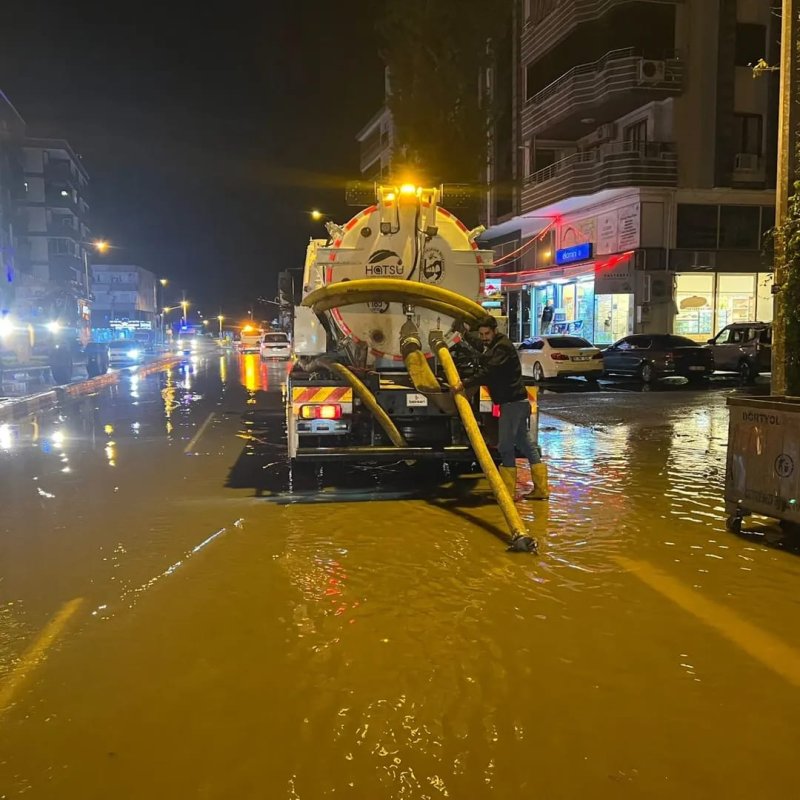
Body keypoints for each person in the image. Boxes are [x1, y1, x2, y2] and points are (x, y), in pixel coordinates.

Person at [451, 315, 549, 501]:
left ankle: (507, 493)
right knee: (525, 444)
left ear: (495, 331)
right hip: (516, 403)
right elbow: (482, 349)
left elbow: (489, 371)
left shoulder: (502, 347)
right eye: (481, 334)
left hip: (512, 404)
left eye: (487, 333)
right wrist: (464, 333)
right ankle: (541, 490)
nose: (484, 337)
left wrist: (464, 384)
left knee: (504, 446)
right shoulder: (495, 345)